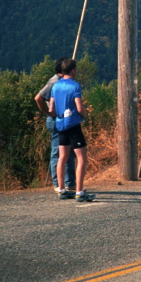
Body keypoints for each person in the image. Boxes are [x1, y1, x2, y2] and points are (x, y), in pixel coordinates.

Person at [48, 58, 94, 202]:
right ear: (73, 70)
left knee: (62, 157)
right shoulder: (75, 86)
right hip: (73, 125)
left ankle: (61, 190)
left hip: (60, 125)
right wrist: (84, 116)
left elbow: (52, 109)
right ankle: (79, 192)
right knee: (81, 158)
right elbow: (79, 107)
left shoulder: (55, 86)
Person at [34, 58, 76, 194]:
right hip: (56, 120)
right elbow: (38, 98)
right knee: (57, 153)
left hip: (65, 120)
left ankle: (69, 184)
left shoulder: (62, 82)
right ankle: (58, 184)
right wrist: (49, 113)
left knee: (68, 152)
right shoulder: (54, 82)